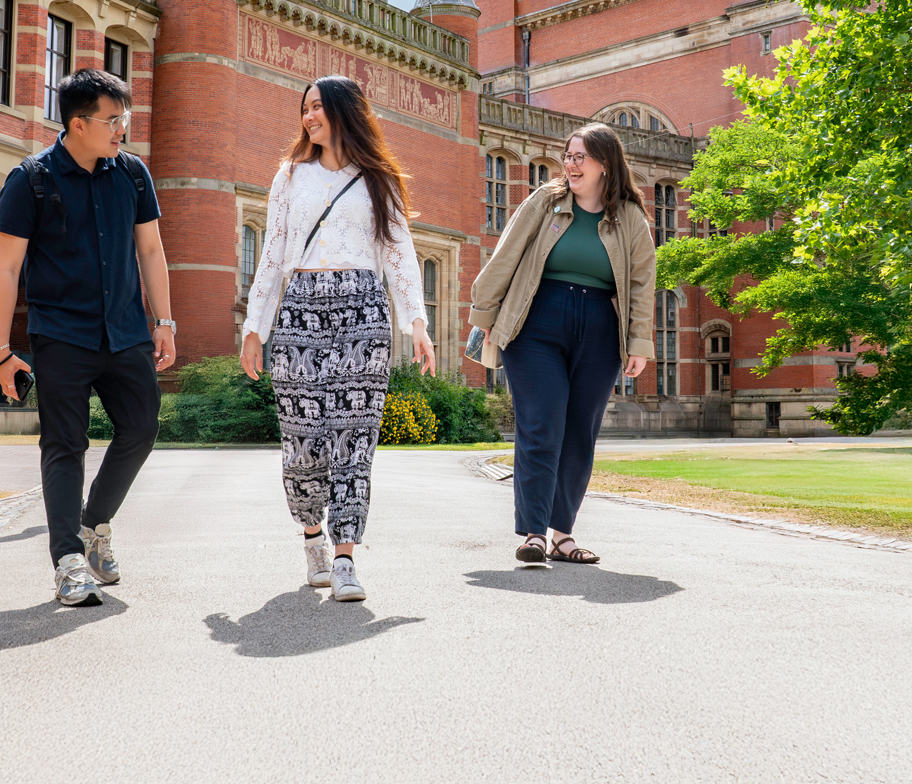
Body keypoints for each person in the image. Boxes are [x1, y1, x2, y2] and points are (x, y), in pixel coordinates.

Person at [241, 75, 434, 602]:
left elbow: (399, 253)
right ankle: (312, 539)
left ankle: (346, 556)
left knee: (354, 440)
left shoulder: (380, 178)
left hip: (362, 311)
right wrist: (254, 328)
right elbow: (273, 255)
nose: (309, 117)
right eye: (305, 108)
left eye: (319, 108)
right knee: (302, 441)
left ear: (347, 112)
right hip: (300, 310)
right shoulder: (290, 176)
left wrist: (416, 322)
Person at [0, 68, 174, 607]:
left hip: (125, 332)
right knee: (65, 446)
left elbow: (151, 252)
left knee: (141, 429)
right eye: (112, 120)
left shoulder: (134, 175)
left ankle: (94, 526)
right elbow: (6, 271)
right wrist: (1, 351)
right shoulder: (31, 180)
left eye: (125, 118)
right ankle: (68, 560)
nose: (122, 129)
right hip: (61, 335)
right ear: (76, 123)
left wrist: (164, 321)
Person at [470, 123, 656, 565]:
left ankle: (563, 534)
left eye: (580, 157)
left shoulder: (630, 217)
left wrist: (638, 343)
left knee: (579, 434)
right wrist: (485, 317)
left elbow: (643, 283)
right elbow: (506, 255)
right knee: (541, 425)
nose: (569, 165)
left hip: (599, 328)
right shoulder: (545, 202)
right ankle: (534, 533)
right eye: (567, 156)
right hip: (537, 321)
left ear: (605, 165)